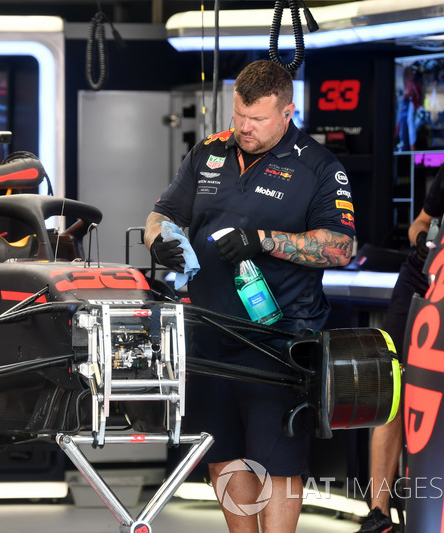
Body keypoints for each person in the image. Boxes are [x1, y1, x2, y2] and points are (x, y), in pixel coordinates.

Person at [144, 59, 355, 532]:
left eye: (256, 119)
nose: (244, 127)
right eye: (239, 114)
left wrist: (264, 239)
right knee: (222, 455)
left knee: (276, 461)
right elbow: (162, 212)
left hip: (278, 340)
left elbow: (341, 247)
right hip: (207, 334)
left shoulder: (318, 167)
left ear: (287, 112)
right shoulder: (209, 152)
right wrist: (159, 239)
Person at [355, 154, 444, 533]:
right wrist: (425, 242)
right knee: (394, 389)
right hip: (421, 278)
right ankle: (378, 514)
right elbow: (420, 223)